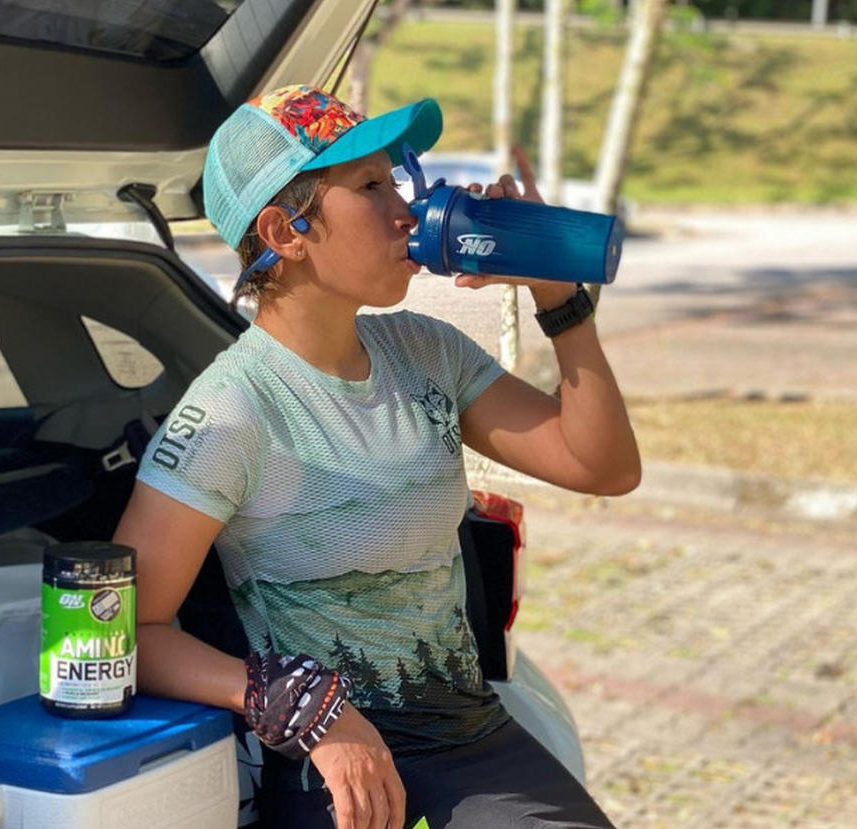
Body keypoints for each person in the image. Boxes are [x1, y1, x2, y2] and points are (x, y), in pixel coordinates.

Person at [113, 84, 640, 829]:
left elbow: (601, 467)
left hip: (468, 737)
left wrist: (558, 298)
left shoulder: (425, 350)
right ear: (286, 231)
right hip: (326, 762)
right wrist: (303, 709)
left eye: (395, 181)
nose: (405, 210)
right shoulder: (231, 411)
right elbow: (126, 632)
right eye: (368, 186)